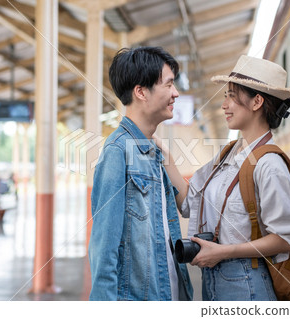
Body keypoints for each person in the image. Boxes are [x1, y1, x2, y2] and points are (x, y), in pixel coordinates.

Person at [157, 55, 290, 301]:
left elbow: (286, 239)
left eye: (231, 95)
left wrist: (224, 252)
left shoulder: (269, 164)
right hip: (215, 282)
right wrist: (164, 153)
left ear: (257, 101)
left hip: (247, 284)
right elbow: (188, 203)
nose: (224, 105)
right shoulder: (227, 154)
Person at [88, 47, 193, 301]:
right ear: (141, 92)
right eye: (168, 85)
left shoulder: (154, 151)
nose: (175, 93)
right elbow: (104, 249)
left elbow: (186, 206)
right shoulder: (117, 151)